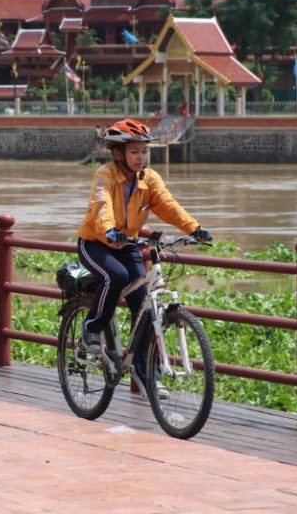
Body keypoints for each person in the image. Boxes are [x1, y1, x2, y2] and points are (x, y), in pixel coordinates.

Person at [76, 118, 211, 394]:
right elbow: (102, 207)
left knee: (146, 310)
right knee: (117, 276)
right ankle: (91, 326)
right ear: (118, 153)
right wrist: (111, 231)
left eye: (144, 151)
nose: (141, 157)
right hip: (96, 242)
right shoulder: (105, 175)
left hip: (128, 244)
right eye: (134, 151)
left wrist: (194, 228)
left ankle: (147, 375)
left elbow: (168, 205)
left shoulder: (149, 179)